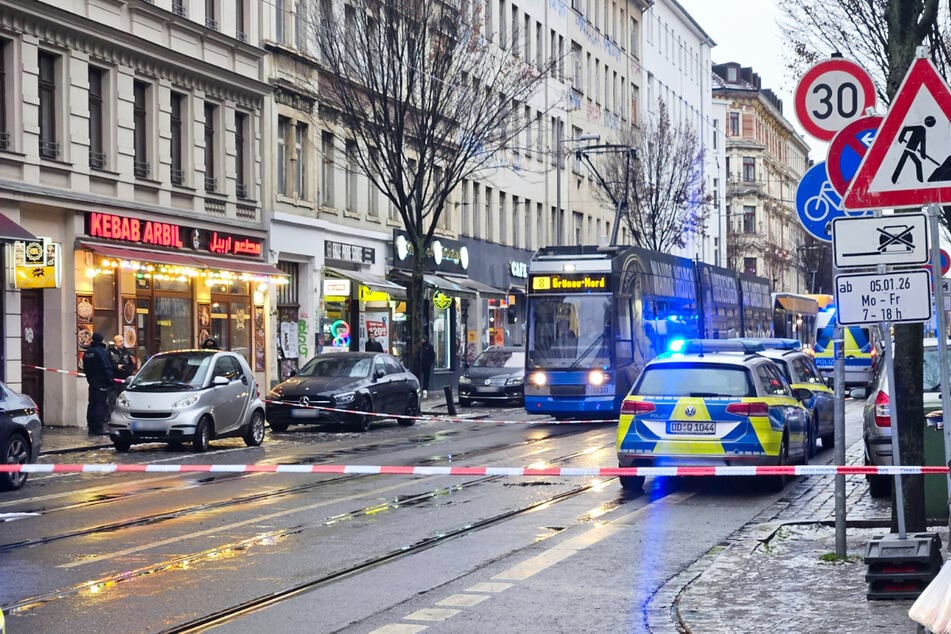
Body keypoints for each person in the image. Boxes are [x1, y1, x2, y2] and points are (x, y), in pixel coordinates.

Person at [82, 332, 114, 435]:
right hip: (101, 383)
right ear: (101, 340)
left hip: (92, 383)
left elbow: (85, 369)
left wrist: (90, 379)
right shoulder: (102, 352)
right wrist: (110, 381)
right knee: (100, 405)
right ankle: (99, 428)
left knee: (92, 404)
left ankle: (91, 427)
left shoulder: (87, 352)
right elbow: (106, 367)